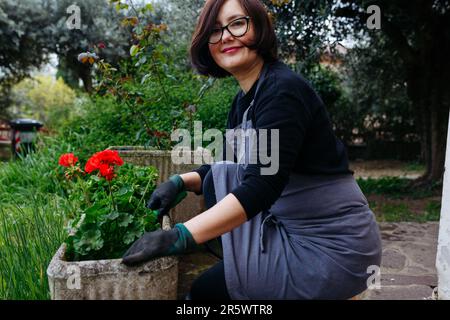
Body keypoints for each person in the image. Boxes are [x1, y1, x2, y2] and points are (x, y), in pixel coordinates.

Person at [122, 0, 382, 300]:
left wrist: (181, 235)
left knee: (206, 295)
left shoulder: (282, 90)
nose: (226, 36)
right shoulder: (244, 101)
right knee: (218, 189)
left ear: (259, 27)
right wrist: (181, 182)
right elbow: (232, 167)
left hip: (335, 249)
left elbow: (262, 184)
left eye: (237, 23)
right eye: (215, 30)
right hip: (292, 231)